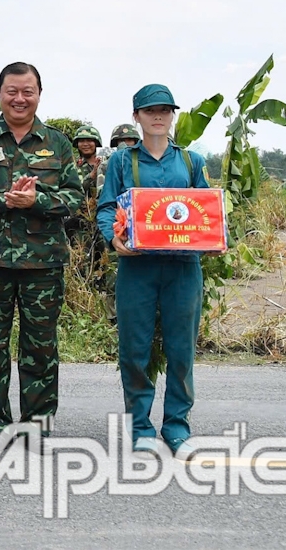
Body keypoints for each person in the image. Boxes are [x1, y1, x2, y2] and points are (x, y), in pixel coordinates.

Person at [0, 62, 83, 450]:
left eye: (27, 91)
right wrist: (3, 199)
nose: (19, 99)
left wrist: (37, 201)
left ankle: (37, 425)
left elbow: (74, 198)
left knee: (40, 348)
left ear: (39, 94)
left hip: (43, 264)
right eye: (12, 91)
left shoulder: (56, 142)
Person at [97, 85, 211, 457]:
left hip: (183, 268)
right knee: (135, 350)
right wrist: (112, 239)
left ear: (172, 115)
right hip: (137, 268)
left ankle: (177, 427)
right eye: (150, 111)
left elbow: (207, 212)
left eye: (164, 110)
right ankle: (140, 427)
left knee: (181, 351)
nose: (158, 117)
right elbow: (105, 207)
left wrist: (212, 234)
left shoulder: (191, 162)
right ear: (137, 117)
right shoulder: (121, 161)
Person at [71, 124, 113, 320]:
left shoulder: (107, 162)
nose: (86, 144)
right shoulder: (74, 166)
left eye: (90, 141)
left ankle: (107, 310)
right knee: (83, 264)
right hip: (81, 223)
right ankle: (84, 307)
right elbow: (74, 188)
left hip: (103, 221)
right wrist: (91, 175)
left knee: (105, 264)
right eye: (81, 141)